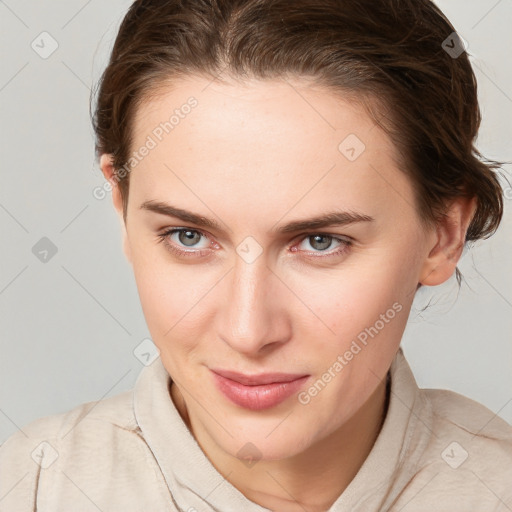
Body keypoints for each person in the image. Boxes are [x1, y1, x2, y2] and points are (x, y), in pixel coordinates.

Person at [1, 0, 511, 510]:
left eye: (320, 242)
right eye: (188, 236)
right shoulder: (29, 492)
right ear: (123, 211)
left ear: (444, 234)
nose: (248, 332)